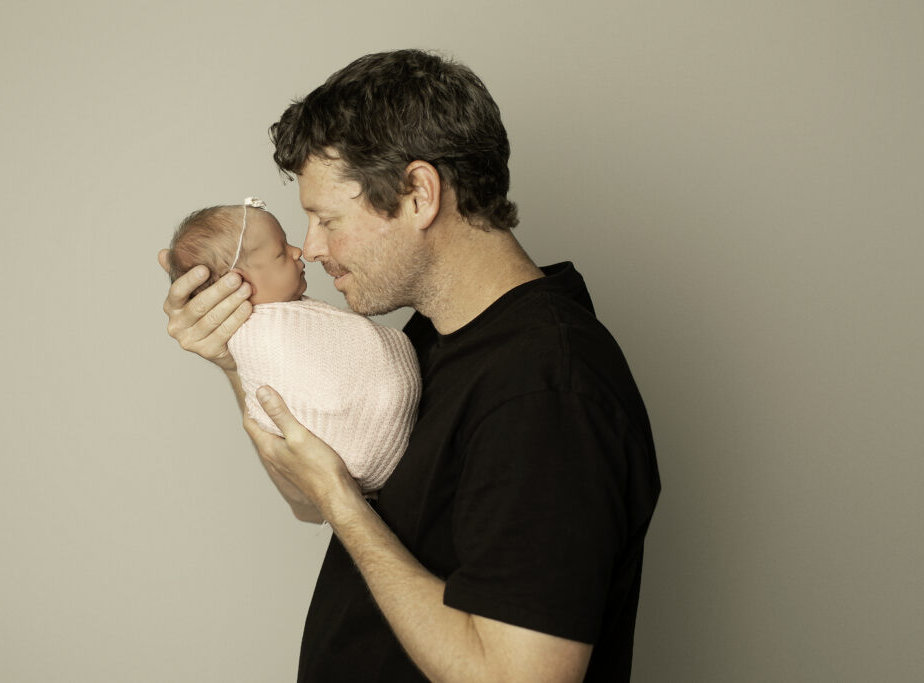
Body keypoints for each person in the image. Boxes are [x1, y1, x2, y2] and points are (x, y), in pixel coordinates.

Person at [159, 49, 660, 682]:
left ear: (419, 193)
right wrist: (240, 356)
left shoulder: (546, 390)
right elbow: (308, 497)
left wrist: (346, 506)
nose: (310, 247)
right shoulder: (433, 338)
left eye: (326, 218)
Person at [165, 197, 420, 492]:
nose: (300, 251)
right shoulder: (263, 336)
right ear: (236, 282)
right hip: (364, 450)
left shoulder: (288, 317)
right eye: (280, 253)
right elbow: (314, 401)